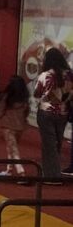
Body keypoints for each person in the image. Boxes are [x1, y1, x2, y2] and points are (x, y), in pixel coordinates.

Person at [33, 48, 73, 180]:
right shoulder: (69, 75)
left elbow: (37, 93)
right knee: (57, 143)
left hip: (46, 112)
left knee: (49, 144)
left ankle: (52, 176)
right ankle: (54, 171)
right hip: (63, 113)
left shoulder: (45, 75)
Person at [0, 76, 30, 179]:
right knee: (11, 148)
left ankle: (21, 172)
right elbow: (26, 113)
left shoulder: (7, 98)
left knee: (13, 149)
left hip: (8, 126)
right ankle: (9, 170)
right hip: (20, 127)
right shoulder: (24, 100)